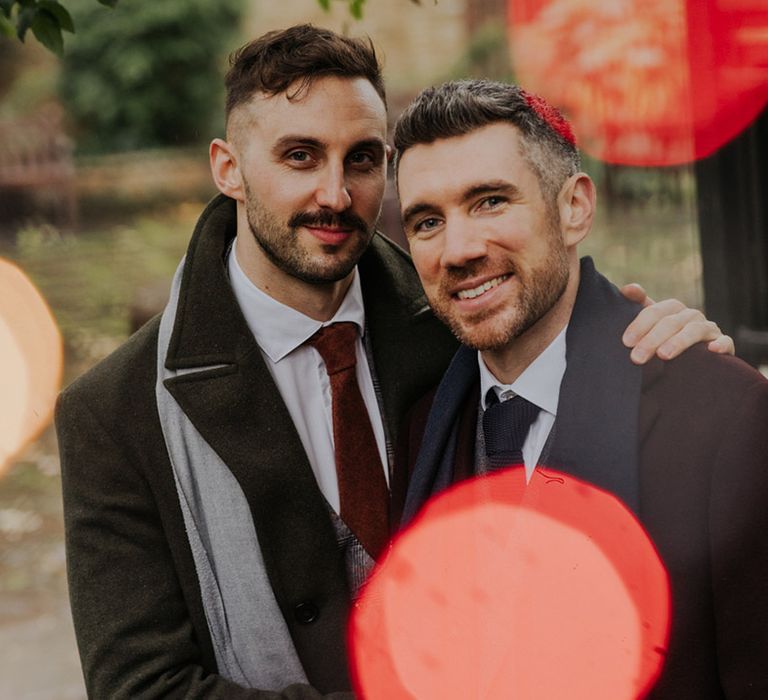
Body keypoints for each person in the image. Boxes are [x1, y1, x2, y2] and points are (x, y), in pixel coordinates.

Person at [56, 26, 733, 700]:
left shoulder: (459, 320)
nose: (335, 194)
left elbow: (550, 306)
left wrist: (670, 346)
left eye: (361, 160)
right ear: (227, 166)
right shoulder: (114, 411)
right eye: (299, 156)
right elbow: (139, 686)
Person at [394, 79, 768, 699]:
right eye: (428, 221)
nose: (457, 250)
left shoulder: (723, 416)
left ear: (574, 208)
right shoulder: (422, 428)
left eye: (490, 201)